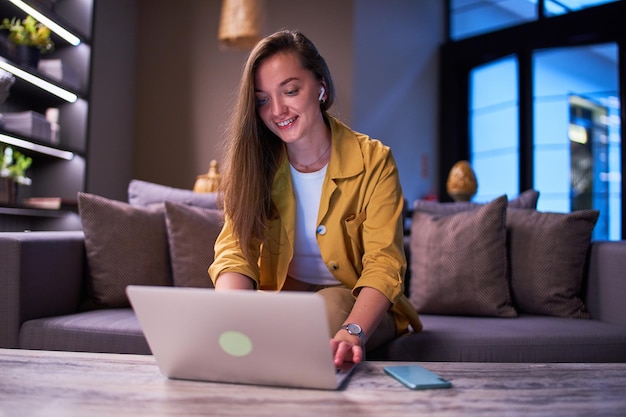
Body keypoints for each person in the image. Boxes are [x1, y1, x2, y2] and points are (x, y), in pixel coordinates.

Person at [208, 29, 422, 367]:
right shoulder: (255, 163)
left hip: (356, 302)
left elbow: (385, 264)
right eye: (263, 99)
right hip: (283, 299)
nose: (277, 110)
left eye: (291, 91)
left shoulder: (375, 160)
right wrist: (235, 317)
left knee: (323, 313)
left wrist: (352, 332)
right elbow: (235, 250)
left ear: (321, 87)